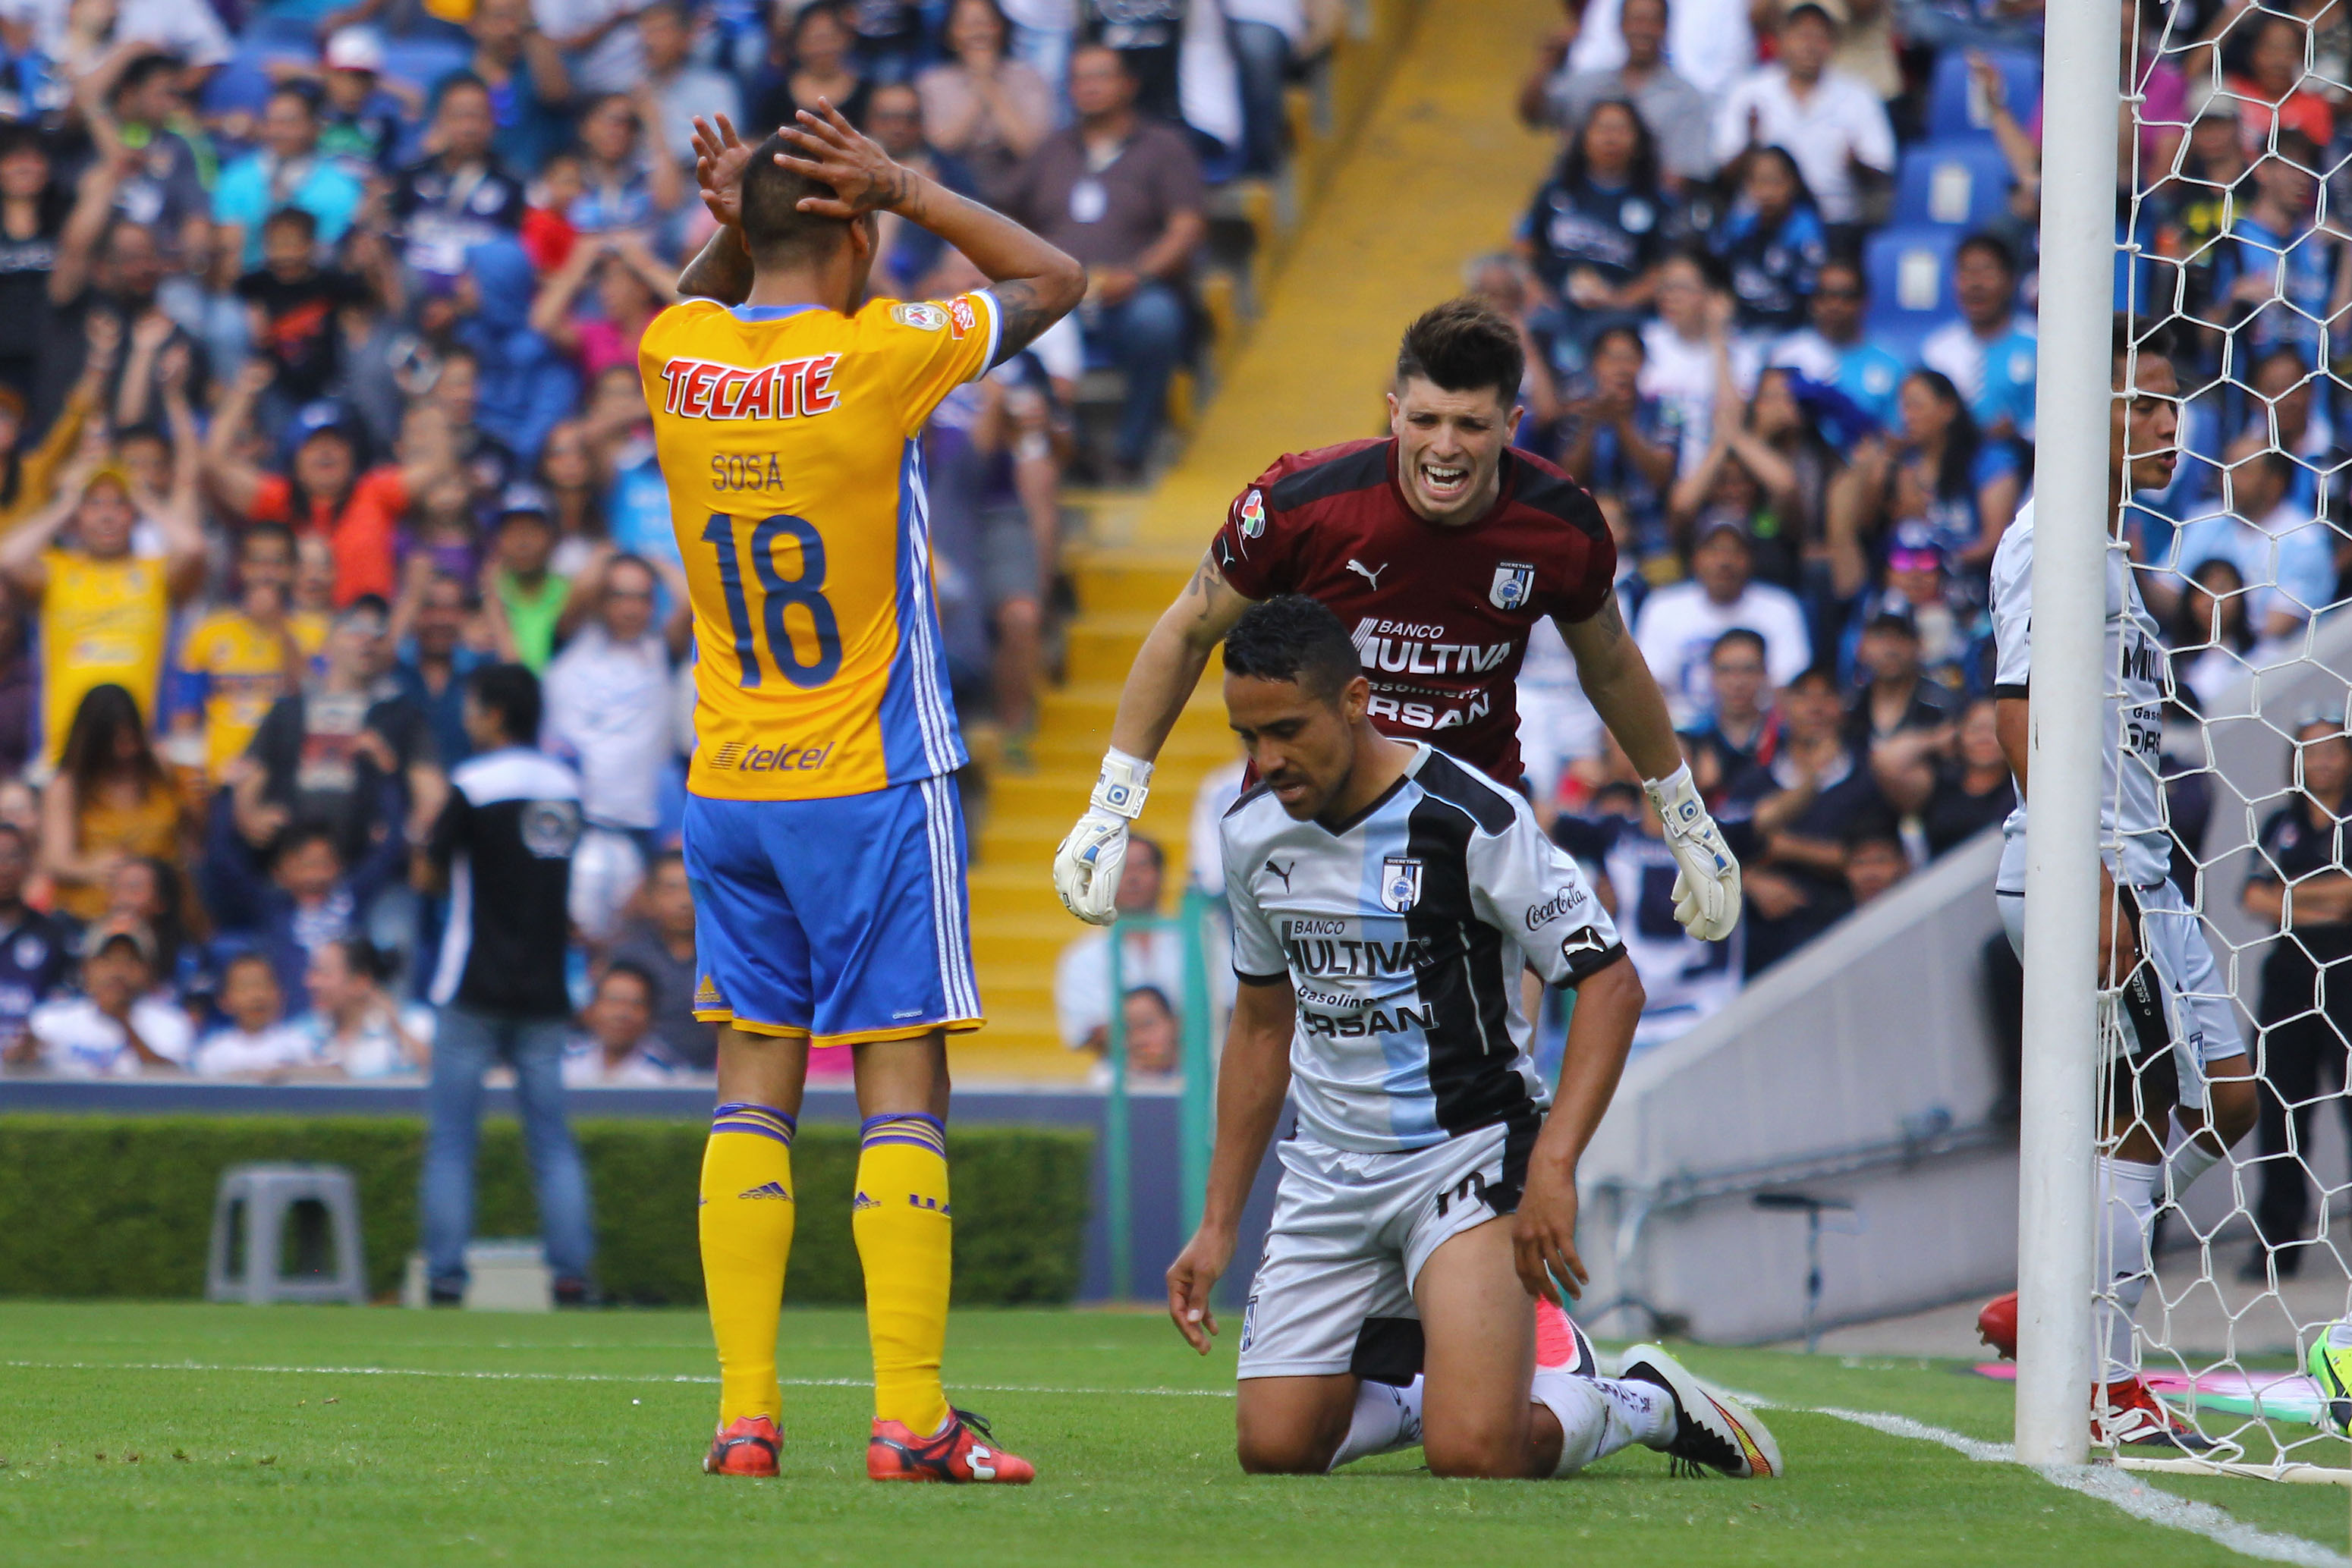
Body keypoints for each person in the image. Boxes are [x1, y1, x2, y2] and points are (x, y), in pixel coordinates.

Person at [653, 99, 1082, 1480]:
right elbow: (1053, 280)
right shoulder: (876, 358)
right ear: (852, 228)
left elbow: (700, 299)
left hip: (730, 780)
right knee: (901, 1092)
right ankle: (908, 1416)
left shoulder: (677, 356)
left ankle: (745, 1417)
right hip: (867, 780)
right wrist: (905, 177)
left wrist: (739, 222)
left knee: (750, 1094)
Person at [1163, 594, 1779, 1482]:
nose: (1266, 761)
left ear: (1355, 700)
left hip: (1467, 1160)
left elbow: (1610, 986)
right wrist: (1217, 1224)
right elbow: (1261, 1023)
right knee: (1276, 1447)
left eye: (1286, 732)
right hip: (1328, 1168)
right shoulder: (1250, 832)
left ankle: (1637, 1400)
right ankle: (1448, 1389)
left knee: (1477, 1455)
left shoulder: (1472, 819)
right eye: (1246, 737)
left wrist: (1553, 1165)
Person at [1054, 299, 1743, 967]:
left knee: (1501, 1049)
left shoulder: (1561, 525)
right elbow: (1185, 631)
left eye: (1471, 425)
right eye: (1425, 420)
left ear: (1512, 423)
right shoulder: (1301, 502)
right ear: (1394, 414)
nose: (1445, 447)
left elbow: (1612, 666)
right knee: (1283, 1035)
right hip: (1310, 811)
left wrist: (1684, 815)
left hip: (1469, 815)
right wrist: (1112, 805)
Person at [1974, 317, 2258, 1450]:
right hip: (2087, 872)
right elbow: (2016, 706)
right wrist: (2079, 872)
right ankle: (2101, 1373)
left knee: (2230, 1099)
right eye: (2136, 401)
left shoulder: (2111, 552)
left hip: (2149, 879)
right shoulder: (2051, 541)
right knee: (2136, 1123)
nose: (2159, 422)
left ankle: (2051, 1282)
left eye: (2168, 402)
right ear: (2077, 414)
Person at [413, 661, 595, 1309]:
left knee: (453, 1143)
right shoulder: (566, 787)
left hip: (472, 983)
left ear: (493, 714)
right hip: (545, 987)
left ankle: (445, 1275)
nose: (467, 716)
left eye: (472, 706)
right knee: (552, 1142)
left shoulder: (471, 784)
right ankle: (571, 1274)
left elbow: (429, 874)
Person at [1005, 43, 1204, 482]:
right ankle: (1070, 448)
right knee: (1011, 323)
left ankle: (1130, 449)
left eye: (1100, 76)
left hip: (1130, 293)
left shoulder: (1163, 146)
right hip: (1058, 296)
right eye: (1079, 78)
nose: (1088, 87)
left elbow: (1186, 228)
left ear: (1128, 85)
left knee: (1157, 319)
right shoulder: (1051, 149)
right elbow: (1001, 218)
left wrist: (1136, 275)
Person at [2, 360, 205, 760]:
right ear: (79, 518)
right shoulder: (56, 571)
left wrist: (144, 497)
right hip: (63, 752)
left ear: (133, 515)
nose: (108, 515)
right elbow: (7, 558)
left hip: (140, 752)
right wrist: (66, 505)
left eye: (118, 505)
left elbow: (195, 548)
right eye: (95, 506)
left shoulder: (155, 573)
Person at [2240, 718, 2352, 1281]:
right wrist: (2327, 898)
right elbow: (2253, 895)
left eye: (2333, 749)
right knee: (2279, 1107)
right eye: (2311, 751)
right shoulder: (2280, 822)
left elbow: (2281, 894)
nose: (2323, 761)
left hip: (2349, 973)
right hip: (2288, 977)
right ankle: (2276, 1245)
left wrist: (2291, 895)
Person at [1553, 776, 1741, 1048]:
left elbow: (1762, 827)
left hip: (1701, 1011)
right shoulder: (1606, 849)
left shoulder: (1718, 838)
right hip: (1633, 1022)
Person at [1709, 0, 1892, 230]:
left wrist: (1855, 164)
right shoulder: (1749, 92)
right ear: (1781, 41)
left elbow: (1882, 170)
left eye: (1819, 38)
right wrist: (1750, 143)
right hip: (1760, 223)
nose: (1810, 46)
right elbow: (1722, 171)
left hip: (1834, 222)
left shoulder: (1858, 96)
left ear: (1832, 45)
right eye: (1801, 36)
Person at [170, 523, 319, 783]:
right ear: (242, 568)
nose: (267, 573)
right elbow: (186, 711)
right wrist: (189, 775)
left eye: (278, 563)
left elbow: (312, 698)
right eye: (258, 562)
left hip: (285, 782)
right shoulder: (209, 631)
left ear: (294, 570)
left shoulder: (314, 633)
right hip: (221, 779)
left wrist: (278, 626)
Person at [1631, 517, 1810, 728]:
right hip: (1680, 735)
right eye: (1713, 551)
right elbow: (1648, 689)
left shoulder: (1781, 607)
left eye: (1735, 551)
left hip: (1760, 736)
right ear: (1695, 558)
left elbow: (1788, 690)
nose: (1724, 562)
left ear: (1750, 559)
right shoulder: (1661, 606)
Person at [1521, 0, 1712, 187]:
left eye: (1652, 21)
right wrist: (1547, 63)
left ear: (1665, 27)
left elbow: (1683, 175)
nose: (1643, 29)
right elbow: (1533, 114)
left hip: (1644, 209)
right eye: (1636, 20)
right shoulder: (1590, 84)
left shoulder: (1685, 98)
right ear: (1621, 24)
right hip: (1579, 202)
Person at [39, 682, 187, 922]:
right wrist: (94, 868)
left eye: (133, 739)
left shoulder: (160, 768)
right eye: (117, 742)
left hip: (159, 908)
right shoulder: (68, 786)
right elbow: (56, 860)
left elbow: (187, 840)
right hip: (91, 912)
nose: (127, 751)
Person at [209, 82, 363, 274]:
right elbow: (228, 249)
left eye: (289, 123)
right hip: (248, 286)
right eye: (272, 122)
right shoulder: (236, 178)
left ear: (314, 127)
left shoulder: (341, 187)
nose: (278, 132)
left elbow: (328, 251)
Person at [1052, 834, 1180, 1054]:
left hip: (1201, 1076)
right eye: (1121, 868)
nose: (1133, 878)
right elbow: (1089, 1031)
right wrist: (1156, 1040)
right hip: (1116, 1080)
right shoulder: (1082, 956)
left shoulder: (1203, 939)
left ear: (1161, 875)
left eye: (1142, 867)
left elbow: (1226, 1009)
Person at [920, 0, 1054, 205]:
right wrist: (978, 86)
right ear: (951, 34)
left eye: (985, 23)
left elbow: (1031, 147)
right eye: (967, 25)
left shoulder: (1029, 78)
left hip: (1015, 189)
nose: (978, 33)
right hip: (953, 189)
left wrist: (990, 86)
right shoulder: (934, 82)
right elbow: (943, 145)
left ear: (1001, 28)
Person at [27, 916, 190, 1076]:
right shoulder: (51, 1020)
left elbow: (172, 1087)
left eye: (131, 961)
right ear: (86, 967)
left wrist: (124, 1022)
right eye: (107, 960)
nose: (118, 971)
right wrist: (21, 1058)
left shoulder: (171, 1022)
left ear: (148, 970)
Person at [1766, 256, 1904, 443]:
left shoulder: (1891, 365)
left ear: (1864, 301)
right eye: (1824, 295)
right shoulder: (1785, 356)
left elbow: (1896, 434)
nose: (1834, 305)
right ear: (1814, 301)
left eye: (1845, 296)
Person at [1919, 231, 2037, 447]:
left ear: (2010, 281)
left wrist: (2016, 435)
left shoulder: (2038, 345)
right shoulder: (1936, 350)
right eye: (1967, 273)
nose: (1975, 284)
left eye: (1986, 272)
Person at [1871, 693, 2014, 859]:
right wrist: (1936, 739)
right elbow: (1886, 761)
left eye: (1994, 730)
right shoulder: (1942, 786)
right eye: (1975, 730)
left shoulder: (2020, 791)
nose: (1983, 739)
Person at [608, 849, 712, 1070]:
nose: (683, 901)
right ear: (650, 897)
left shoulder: (725, 959)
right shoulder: (629, 956)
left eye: (691, 890)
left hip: (711, 1074)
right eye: (671, 889)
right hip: (642, 1075)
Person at [297, 935, 431, 1076]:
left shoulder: (415, 1023)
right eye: (312, 972)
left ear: (360, 981)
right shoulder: (304, 1032)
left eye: (323, 973)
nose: (310, 982)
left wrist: (396, 1026)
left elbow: (437, 1070)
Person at [0, 821, 68, 1068]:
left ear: (29, 864)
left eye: (12, 857)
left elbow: (66, 1008)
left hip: (34, 1062)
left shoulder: (54, 935)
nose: (4, 868)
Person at [190, 949, 310, 1077]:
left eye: (263, 985)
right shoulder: (213, 1054)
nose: (256, 996)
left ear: (280, 994)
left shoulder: (298, 1046)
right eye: (245, 988)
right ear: (224, 1001)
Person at [561, 959, 677, 1085]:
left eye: (635, 1004)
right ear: (592, 1008)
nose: (622, 1014)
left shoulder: (666, 1077)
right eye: (613, 1001)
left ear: (651, 1014)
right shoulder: (564, 1063)